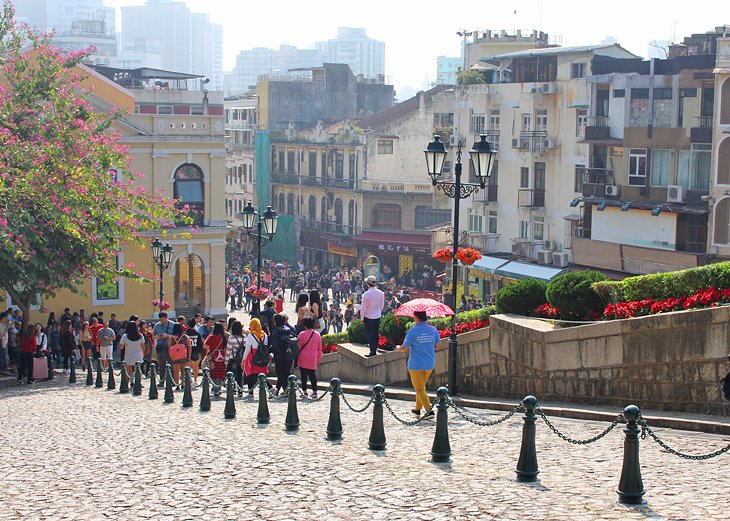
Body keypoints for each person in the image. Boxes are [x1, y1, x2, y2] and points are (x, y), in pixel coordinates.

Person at [395, 311, 440, 418]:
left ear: (416, 317)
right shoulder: (433, 329)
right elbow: (438, 346)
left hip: (416, 364)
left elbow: (404, 348)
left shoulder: (413, 331)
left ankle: (429, 411)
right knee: (421, 388)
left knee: (419, 389)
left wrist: (397, 348)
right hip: (429, 363)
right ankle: (417, 409)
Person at [242, 318, 271, 395]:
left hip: (252, 356)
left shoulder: (251, 336)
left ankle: (250, 392)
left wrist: (244, 359)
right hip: (262, 356)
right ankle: (270, 388)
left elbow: (247, 349)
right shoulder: (264, 335)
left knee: (250, 374)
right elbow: (265, 345)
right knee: (261, 373)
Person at [270, 313, 297, 395]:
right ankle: (278, 390)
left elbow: (274, 345)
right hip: (289, 355)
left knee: (281, 373)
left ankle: (286, 391)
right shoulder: (288, 329)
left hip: (279, 356)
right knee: (285, 372)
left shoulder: (276, 331)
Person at [296, 317, 323, 397]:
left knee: (303, 375)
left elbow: (299, 346)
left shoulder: (302, 334)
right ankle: (314, 391)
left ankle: (304, 391)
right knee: (312, 375)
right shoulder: (317, 335)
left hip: (303, 356)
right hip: (313, 356)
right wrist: (318, 358)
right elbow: (319, 348)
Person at [360, 275, 385, 357]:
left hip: (368, 317)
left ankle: (372, 351)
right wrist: (378, 312)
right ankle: (374, 349)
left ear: (368, 284)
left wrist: (362, 317)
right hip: (377, 316)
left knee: (370, 335)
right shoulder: (381, 293)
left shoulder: (366, 294)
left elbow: (363, 307)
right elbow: (381, 305)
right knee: (375, 334)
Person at [203, 323, 227, 397]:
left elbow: (205, 346)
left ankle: (215, 390)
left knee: (213, 373)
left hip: (213, 357)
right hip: (222, 357)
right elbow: (225, 348)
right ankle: (218, 389)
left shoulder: (211, 337)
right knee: (220, 374)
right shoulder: (223, 338)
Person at [226, 321, 246, 395]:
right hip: (241, 359)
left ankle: (233, 389)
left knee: (232, 374)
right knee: (240, 375)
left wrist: (226, 362)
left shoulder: (231, 338)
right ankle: (240, 391)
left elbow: (228, 351)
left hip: (233, 359)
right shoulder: (244, 337)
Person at [169, 323, 191, 389]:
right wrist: (189, 356)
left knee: (176, 371)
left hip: (175, 356)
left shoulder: (171, 337)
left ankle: (177, 384)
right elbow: (189, 347)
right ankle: (183, 384)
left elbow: (169, 347)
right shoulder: (185, 337)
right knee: (183, 370)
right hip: (183, 356)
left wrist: (171, 356)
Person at [186, 318, 203, 388]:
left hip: (188, 351)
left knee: (188, 367)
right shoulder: (197, 334)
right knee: (195, 367)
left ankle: (190, 380)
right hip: (195, 351)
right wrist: (200, 352)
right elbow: (200, 344)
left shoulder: (186, 334)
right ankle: (195, 380)